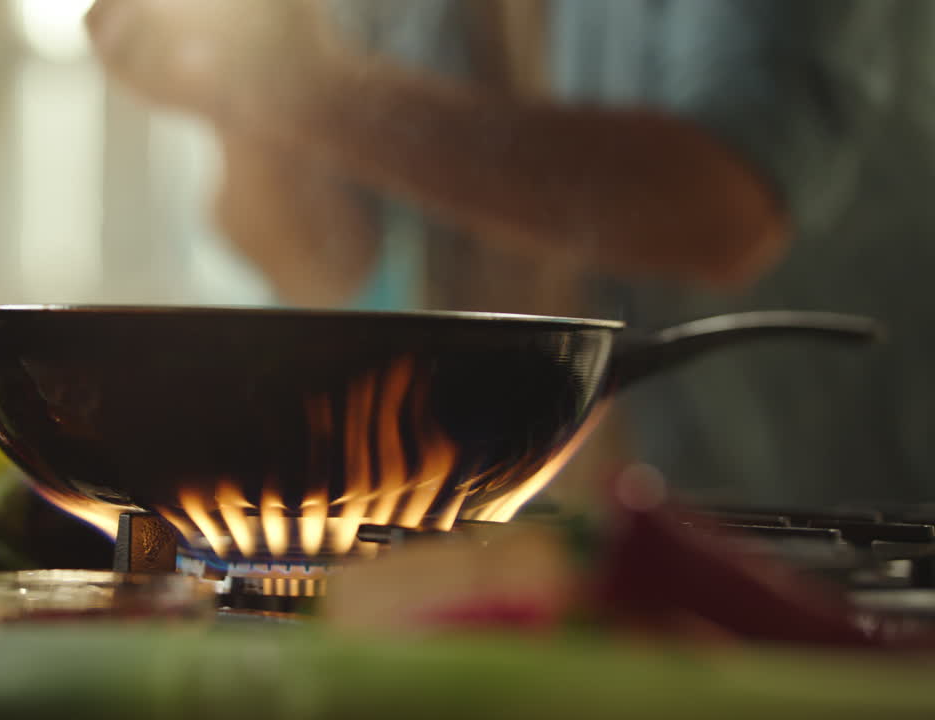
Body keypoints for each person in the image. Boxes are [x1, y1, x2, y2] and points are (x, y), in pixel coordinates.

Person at [85, 0, 935, 509]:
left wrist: (303, 92)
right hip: (562, 549)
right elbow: (331, 260)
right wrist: (232, 90)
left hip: (835, 557)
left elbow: (722, 206)